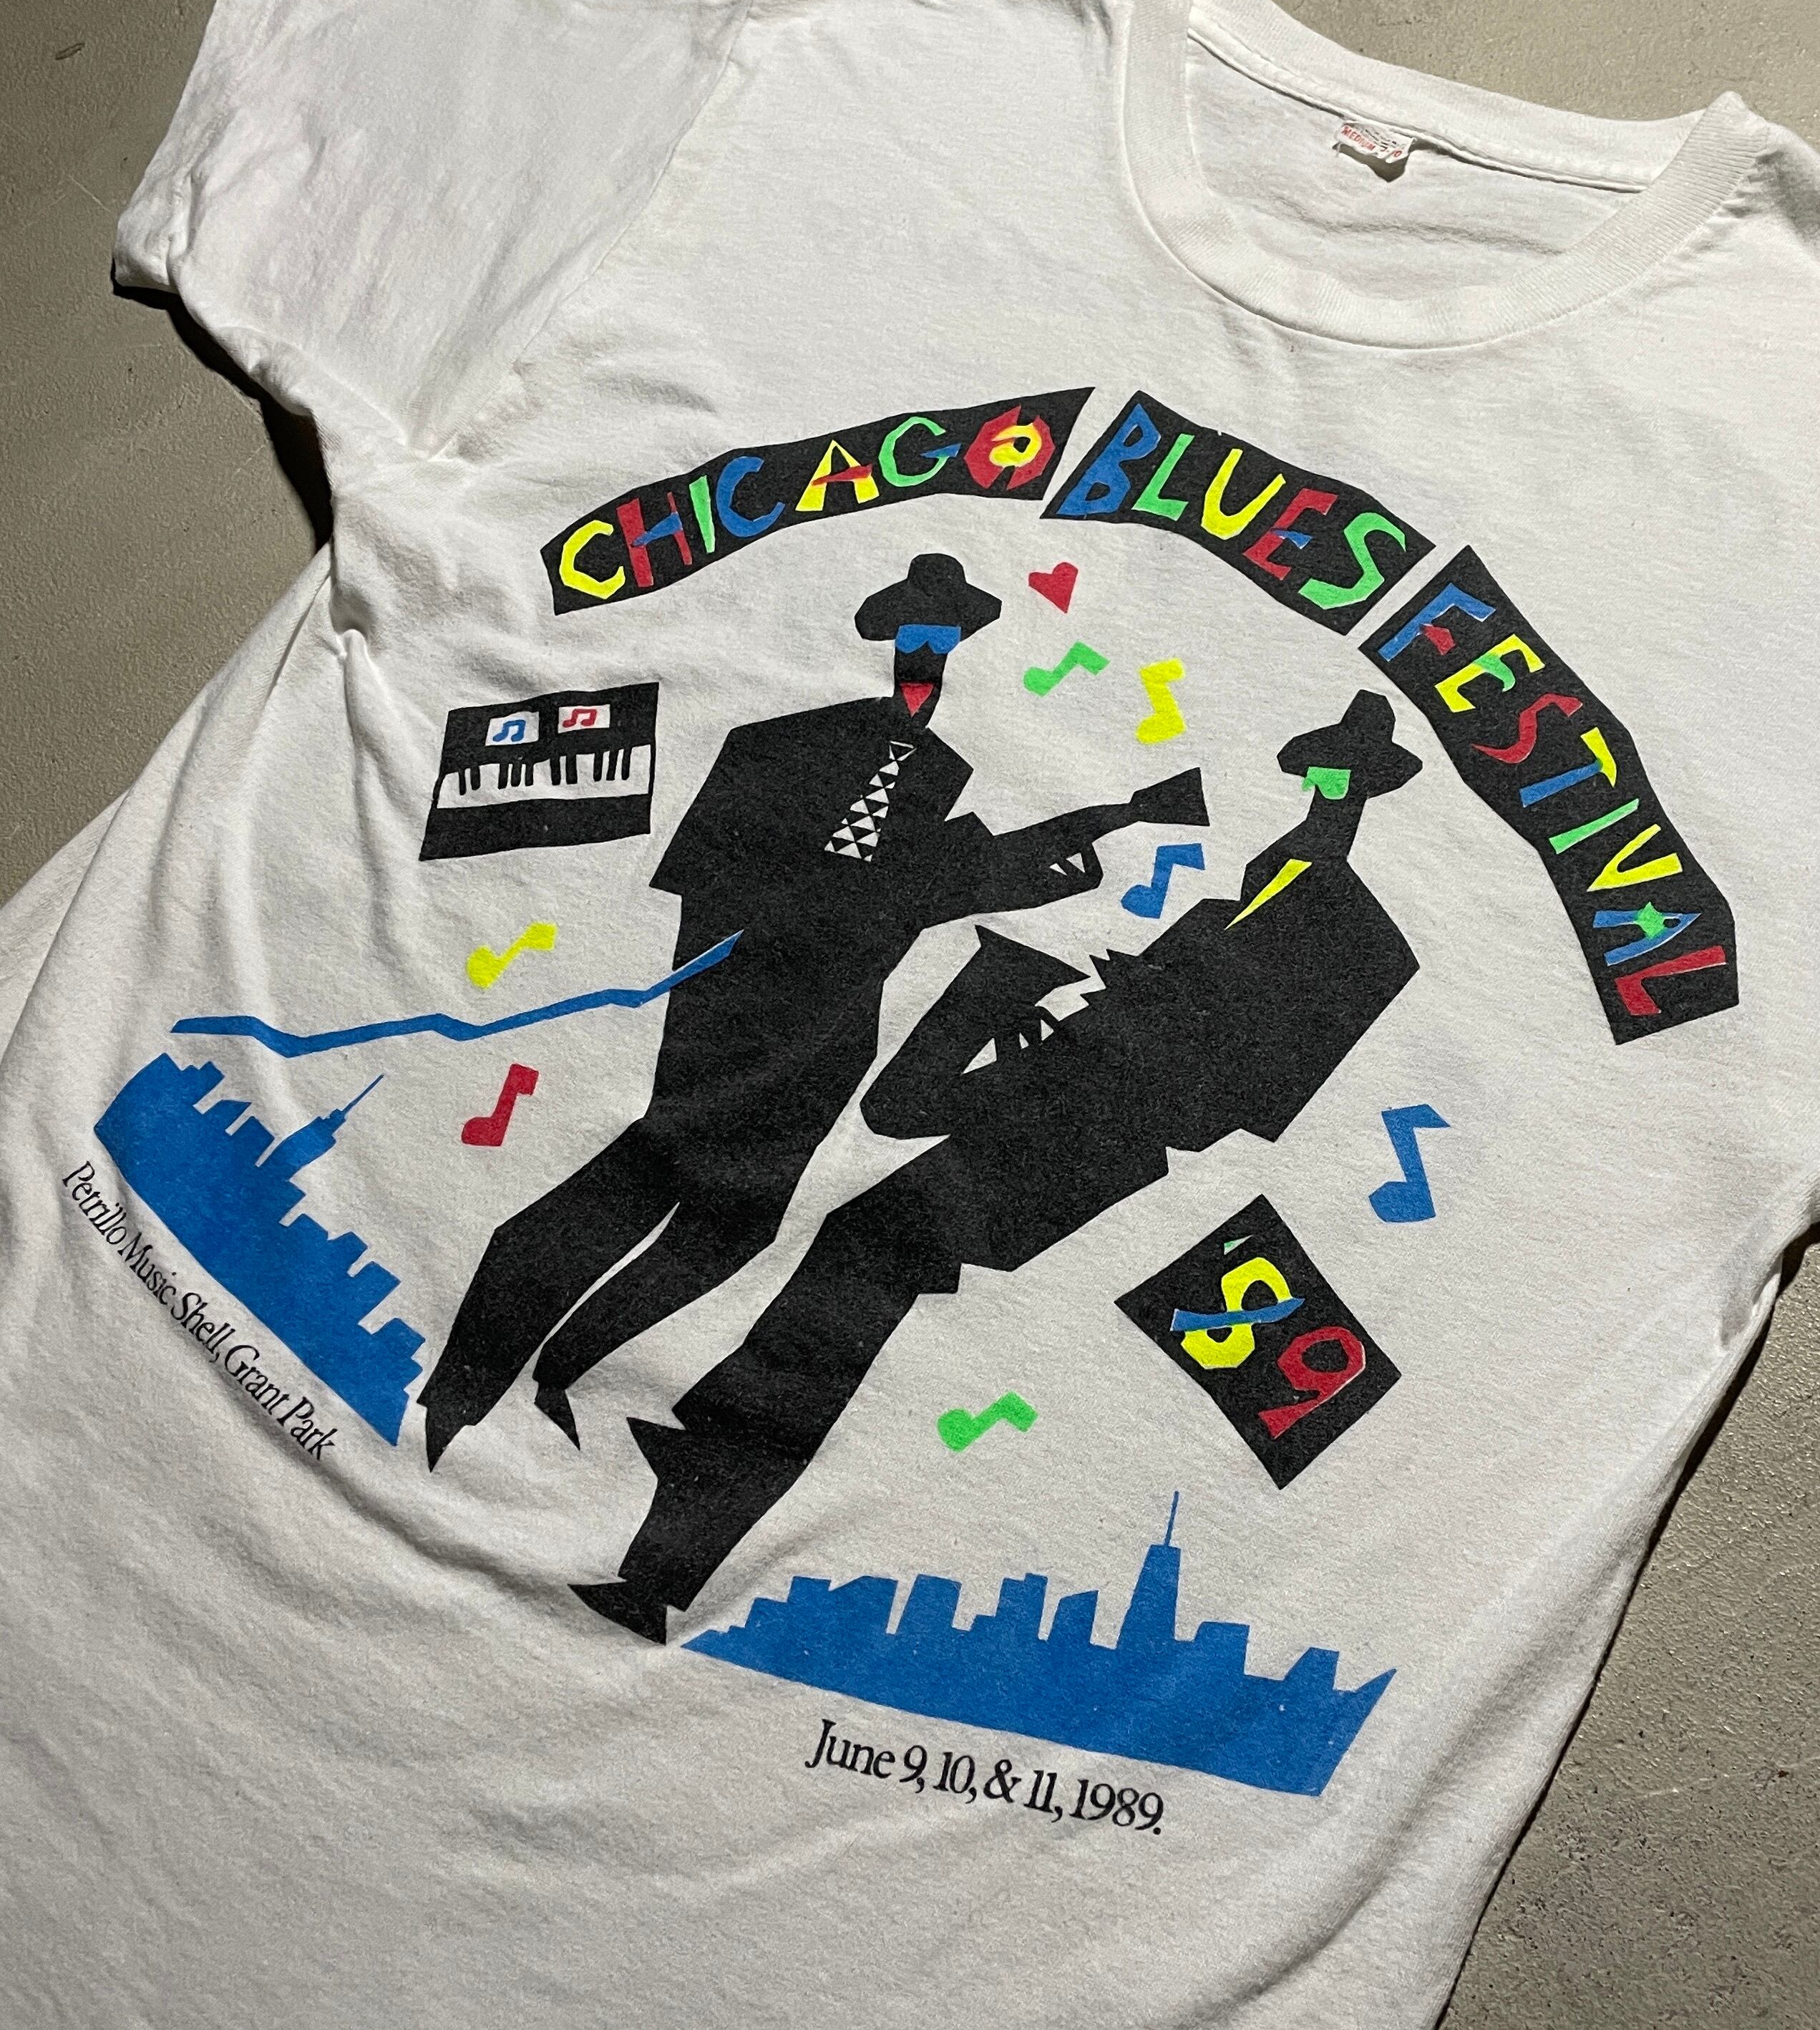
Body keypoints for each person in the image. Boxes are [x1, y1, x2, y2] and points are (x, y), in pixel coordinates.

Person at [575, 689, 1424, 1639]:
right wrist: (1111, 1008)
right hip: (1067, 1096)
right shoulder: (1260, 891)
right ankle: (708, 1466)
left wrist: (1137, 1030)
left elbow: (1257, 1090)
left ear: (1367, 790)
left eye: (1344, 774)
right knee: (862, 1231)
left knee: (868, 1253)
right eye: (1321, 767)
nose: (1324, 786)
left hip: (1097, 1133)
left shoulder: (1355, 933)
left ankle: (697, 1507)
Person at [419, 552, 1206, 1462]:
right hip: (744, 992)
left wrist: (1102, 827)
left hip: (840, 1020)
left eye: (945, 633)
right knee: (655, 1167)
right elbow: (730, 861)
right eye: (917, 629)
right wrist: (757, 950)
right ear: (891, 636)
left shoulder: (937, 769)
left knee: (739, 1223)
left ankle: (563, 1369)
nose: (930, 647)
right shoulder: (791, 738)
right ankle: (464, 1383)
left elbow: (937, 879)